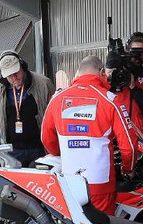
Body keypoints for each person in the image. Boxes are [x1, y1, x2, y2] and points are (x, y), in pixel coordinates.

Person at [40, 56, 137, 214]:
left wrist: (63, 153)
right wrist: (128, 169)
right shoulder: (111, 100)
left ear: (78, 73)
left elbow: (46, 138)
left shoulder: (57, 98)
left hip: (69, 180)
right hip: (100, 182)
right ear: (102, 72)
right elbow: (129, 146)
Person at [0, 51, 53, 166]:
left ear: (22, 67)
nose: (14, 78)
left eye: (16, 73)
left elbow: (53, 115)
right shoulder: (1, 88)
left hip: (39, 148)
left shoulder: (43, 84)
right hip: (13, 150)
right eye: (9, 76)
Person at [108, 31, 143, 146]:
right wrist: (109, 73)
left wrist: (133, 87)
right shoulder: (114, 77)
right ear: (127, 52)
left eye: (141, 52)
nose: (137, 56)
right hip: (112, 137)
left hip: (137, 139)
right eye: (134, 52)